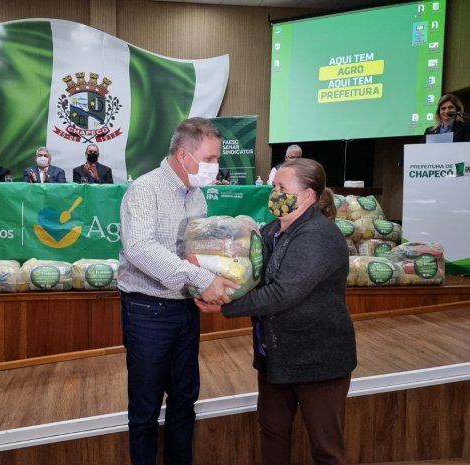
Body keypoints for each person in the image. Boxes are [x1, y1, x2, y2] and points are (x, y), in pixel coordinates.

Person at [197, 158, 357, 465]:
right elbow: (248, 274)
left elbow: (283, 292)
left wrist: (224, 305)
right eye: (274, 187)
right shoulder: (271, 231)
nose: (274, 194)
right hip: (275, 356)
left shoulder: (319, 236)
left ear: (307, 195)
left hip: (318, 360)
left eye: (282, 188)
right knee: (273, 433)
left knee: (326, 447)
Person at [118, 117, 240, 465]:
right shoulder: (146, 190)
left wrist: (214, 278)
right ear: (184, 155)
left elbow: (194, 252)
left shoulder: (196, 196)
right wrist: (202, 280)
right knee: (145, 408)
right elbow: (140, 249)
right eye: (210, 158)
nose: (216, 166)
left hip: (185, 309)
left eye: (218, 159)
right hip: (147, 313)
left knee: (185, 401)